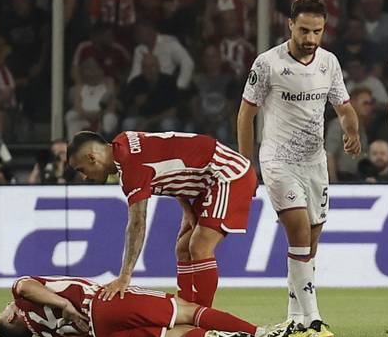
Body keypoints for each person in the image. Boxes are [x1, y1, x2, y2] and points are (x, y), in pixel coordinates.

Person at [237, 0, 361, 337]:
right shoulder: (268, 64)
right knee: (300, 233)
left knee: (310, 242)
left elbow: (344, 106)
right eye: (304, 30)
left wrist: (352, 131)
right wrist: (247, 165)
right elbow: (246, 115)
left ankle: (294, 317)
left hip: (314, 163)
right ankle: (314, 320)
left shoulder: (328, 63)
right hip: (278, 160)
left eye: (317, 31)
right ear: (290, 24)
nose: (310, 38)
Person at [67, 130, 257, 308]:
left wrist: (124, 276)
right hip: (207, 179)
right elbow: (170, 157)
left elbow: (137, 222)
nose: (84, 177)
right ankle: (185, 310)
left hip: (227, 173)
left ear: (92, 158)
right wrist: (187, 209)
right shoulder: (123, 141)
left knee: (199, 247)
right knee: (183, 248)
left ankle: (201, 317)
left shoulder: (130, 167)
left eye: (81, 169)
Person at [0, 275, 293, 337]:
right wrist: (65, 306)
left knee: (172, 335)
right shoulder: (22, 297)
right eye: (5, 310)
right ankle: (260, 333)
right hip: (104, 303)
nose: (7, 306)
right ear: (11, 317)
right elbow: (25, 285)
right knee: (187, 310)